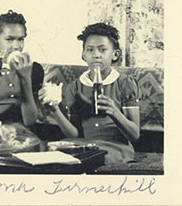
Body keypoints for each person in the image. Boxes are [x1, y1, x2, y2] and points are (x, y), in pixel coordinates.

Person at [39, 22, 141, 164]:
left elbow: (135, 135)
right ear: (83, 55)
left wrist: (115, 112)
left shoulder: (125, 84)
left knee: (92, 159)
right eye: (90, 50)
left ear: (115, 54)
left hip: (115, 147)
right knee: (53, 154)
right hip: (83, 144)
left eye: (102, 50)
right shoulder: (74, 87)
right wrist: (55, 111)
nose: (96, 55)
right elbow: (74, 134)